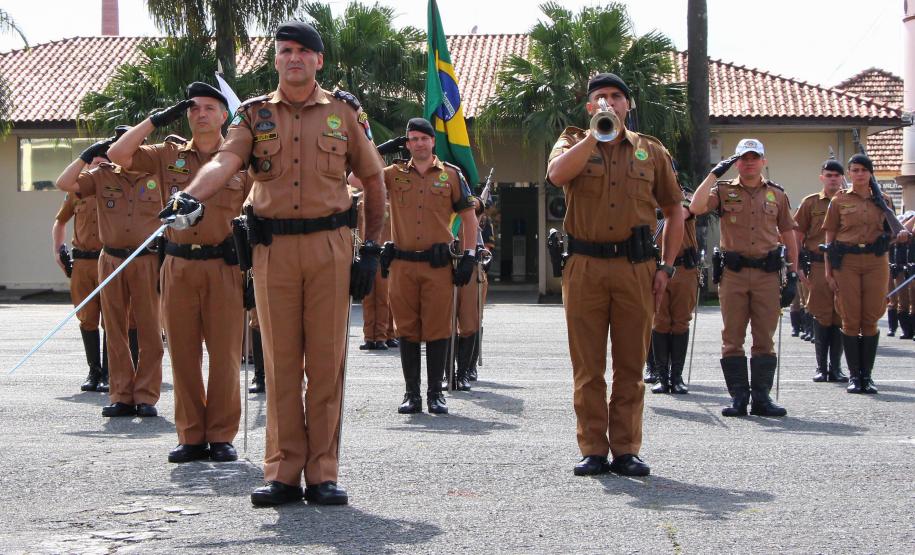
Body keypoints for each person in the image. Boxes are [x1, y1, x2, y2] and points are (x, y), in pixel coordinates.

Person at [158, 21, 386, 506]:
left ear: (319, 60)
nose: (294, 58)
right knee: (280, 363)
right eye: (285, 51)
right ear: (276, 59)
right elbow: (224, 161)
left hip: (329, 247)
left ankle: (323, 472)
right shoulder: (253, 114)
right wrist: (189, 197)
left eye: (304, 51)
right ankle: (283, 472)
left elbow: (373, 177)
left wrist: (371, 248)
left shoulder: (344, 113)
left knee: (326, 363)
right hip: (272, 250)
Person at [547, 73, 685, 477]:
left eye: (616, 98)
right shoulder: (572, 141)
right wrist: (595, 135)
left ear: (629, 105)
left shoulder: (651, 151)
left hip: (635, 267)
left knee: (630, 365)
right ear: (590, 108)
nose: (608, 103)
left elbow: (675, 209)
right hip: (585, 266)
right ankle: (593, 448)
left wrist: (668, 266)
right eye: (600, 99)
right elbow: (556, 175)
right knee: (588, 365)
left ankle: (625, 449)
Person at [108, 81, 251, 464]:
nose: (199, 114)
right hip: (178, 264)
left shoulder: (239, 158)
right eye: (192, 108)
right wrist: (156, 120)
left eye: (208, 107)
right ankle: (190, 435)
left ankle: (221, 435)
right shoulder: (166, 154)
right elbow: (118, 154)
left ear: (225, 115)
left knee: (224, 356)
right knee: (184, 354)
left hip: (225, 265)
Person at [689, 138, 803, 418]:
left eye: (754, 157)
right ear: (736, 162)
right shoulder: (723, 190)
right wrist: (714, 173)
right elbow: (695, 206)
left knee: (764, 337)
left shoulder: (776, 194)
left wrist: (794, 271)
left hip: (767, 274)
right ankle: (739, 397)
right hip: (734, 274)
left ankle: (762, 398)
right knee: (733, 337)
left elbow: (789, 233)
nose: (749, 162)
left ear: (763, 161)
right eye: (743, 158)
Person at [55, 130, 164, 418]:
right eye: (119, 146)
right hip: (112, 258)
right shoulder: (102, 175)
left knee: (150, 329)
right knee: (114, 330)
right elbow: (64, 183)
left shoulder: (159, 173)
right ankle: (120, 394)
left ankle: (146, 395)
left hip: (146, 259)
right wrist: (85, 156)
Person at [381, 117, 479, 414]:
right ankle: (412, 394)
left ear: (433, 141)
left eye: (424, 139)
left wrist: (471, 255)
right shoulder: (392, 173)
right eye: (412, 139)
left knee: (438, 329)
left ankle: (436, 392)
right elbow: (355, 179)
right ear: (406, 143)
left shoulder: (451, 175)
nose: (418, 144)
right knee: (406, 330)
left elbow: (470, 218)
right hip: (402, 264)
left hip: (438, 265)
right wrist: (384, 148)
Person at [822, 154, 911, 393]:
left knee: (870, 317)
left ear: (870, 173)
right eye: (855, 170)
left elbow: (891, 232)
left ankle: (867, 376)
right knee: (850, 317)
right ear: (848, 174)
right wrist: (829, 272)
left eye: (863, 170)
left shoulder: (883, 201)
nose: (859, 174)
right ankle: (854, 377)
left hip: (875, 261)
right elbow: (829, 239)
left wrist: (899, 235)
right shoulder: (839, 201)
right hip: (847, 262)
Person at [52, 179, 108, 393]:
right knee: (87, 317)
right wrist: (58, 251)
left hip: (109, 260)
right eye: (95, 160)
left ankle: (109, 373)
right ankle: (94, 371)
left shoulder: (116, 188)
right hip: (83, 263)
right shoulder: (77, 192)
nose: (99, 164)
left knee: (112, 318)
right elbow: (60, 221)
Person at [794, 161, 847, 382]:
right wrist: (795, 265)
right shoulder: (810, 203)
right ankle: (821, 367)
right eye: (829, 175)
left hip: (846, 266)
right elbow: (796, 235)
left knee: (841, 315)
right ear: (821, 178)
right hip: (816, 264)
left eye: (837, 175)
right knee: (821, 314)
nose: (833, 179)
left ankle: (836, 368)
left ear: (842, 177)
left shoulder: (850, 201)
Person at [651, 186, 699, 395]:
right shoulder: (644, 193)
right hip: (654, 268)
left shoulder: (685, 197)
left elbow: (682, 211)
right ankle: (661, 376)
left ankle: (676, 377)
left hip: (683, 269)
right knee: (659, 321)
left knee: (680, 321)